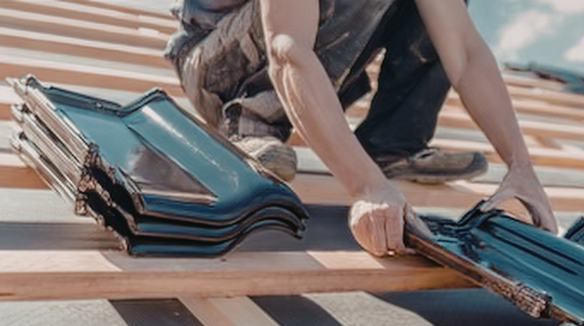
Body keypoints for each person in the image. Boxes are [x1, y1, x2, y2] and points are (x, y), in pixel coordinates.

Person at [166, 0, 558, 257]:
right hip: (216, 65)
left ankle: (391, 145)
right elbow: (287, 49)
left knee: (443, 10)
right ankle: (250, 120)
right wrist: (366, 187)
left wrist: (521, 168)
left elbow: (467, 53)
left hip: (306, 56)